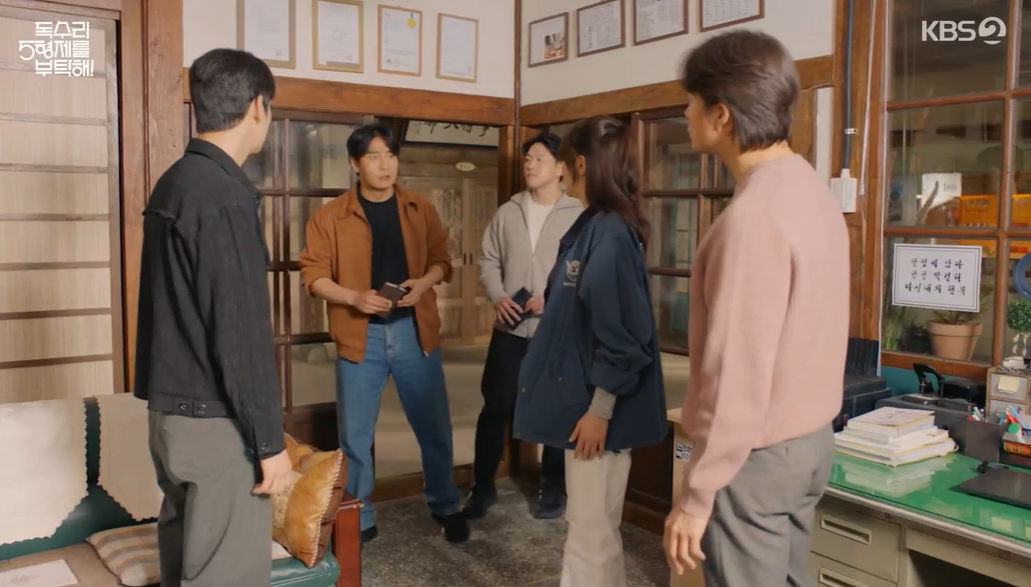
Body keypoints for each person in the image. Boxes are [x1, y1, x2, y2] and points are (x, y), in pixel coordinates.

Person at [662, 30, 849, 587]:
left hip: (754, 457)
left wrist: (697, 493)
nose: (685, 113)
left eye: (691, 102)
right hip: (809, 443)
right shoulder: (810, 188)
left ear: (720, 115)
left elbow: (737, 374)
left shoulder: (752, 218)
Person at [133, 48, 292, 587]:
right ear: (257, 107)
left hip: (169, 418)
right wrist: (270, 444)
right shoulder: (224, 196)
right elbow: (240, 333)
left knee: (184, 565)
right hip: (214, 424)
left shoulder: (175, 181)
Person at [513, 117, 667, 587]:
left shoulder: (611, 234)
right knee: (590, 530)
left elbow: (624, 338)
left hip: (598, 417)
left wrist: (600, 410)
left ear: (578, 164)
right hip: (582, 406)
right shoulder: (594, 225)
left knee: (590, 536)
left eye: (561, 161)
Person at [298, 123, 468, 544]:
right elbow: (314, 276)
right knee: (355, 435)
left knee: (434, 427)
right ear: (356, 164)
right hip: (361, 336)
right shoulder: (330, 217)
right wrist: (355, 298)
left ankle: (445, 504)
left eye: (390, 155)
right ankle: (360, 517)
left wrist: (423, 284)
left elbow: (441, 262)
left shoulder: (419, 208)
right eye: (373, 156)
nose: (385, 165)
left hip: (414, 331)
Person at [464, 132, 583, 520]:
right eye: (527, 158)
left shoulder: (579, 214)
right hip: (510, 329)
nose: (530, 165)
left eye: (539, 158)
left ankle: (552, 488)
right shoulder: (508, 211)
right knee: (495, 408)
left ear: (560, 167)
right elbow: (488, 260)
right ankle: (482, 488)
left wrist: (554, 298)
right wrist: (498, 295)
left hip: (556, 332)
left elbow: (585, 270)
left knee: (556, 409)